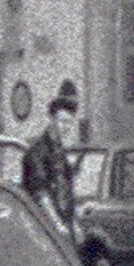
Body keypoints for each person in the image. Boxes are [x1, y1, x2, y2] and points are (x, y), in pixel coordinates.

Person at [22, 83, 80, 238]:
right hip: (44, 227)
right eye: (62, 121)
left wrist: (73, 223)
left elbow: (67, 191)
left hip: (64, 223)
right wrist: (57, 225)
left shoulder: (60, 152)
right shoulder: (37, 152)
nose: (65, 127)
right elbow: (40, 195)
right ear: (51, 120)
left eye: (69, 122)